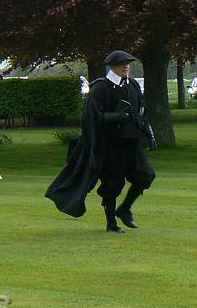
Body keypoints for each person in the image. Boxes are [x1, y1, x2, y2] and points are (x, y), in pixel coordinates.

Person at [45, 50, 156, 233]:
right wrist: (115, 116)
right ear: (112, 66)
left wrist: (148, 133)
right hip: (111, 145)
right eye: (122, 64)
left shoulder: (133, 85)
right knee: (113, 183)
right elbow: (91, 117)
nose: (126, 66)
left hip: (133, 142)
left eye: (127, 63)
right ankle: (111, 223)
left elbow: (141, 111)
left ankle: (125, 209)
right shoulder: (100, 88)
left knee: (146, 175)